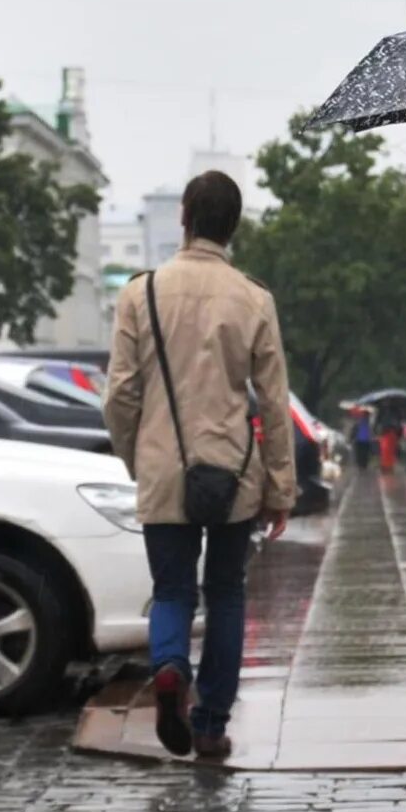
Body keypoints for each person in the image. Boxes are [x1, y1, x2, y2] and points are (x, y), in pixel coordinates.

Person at [103, 169, 295, 761]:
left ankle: (167, 668)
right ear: (233, 226)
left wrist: (138, 454)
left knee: (172, 589)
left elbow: (120, 394)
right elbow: (274, 400)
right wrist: (280, 487)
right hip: (236, 471)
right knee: (228, 594)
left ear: (184, 216)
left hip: (164, 468)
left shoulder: (141, 293)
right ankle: (210, 723)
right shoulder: (253, 298)